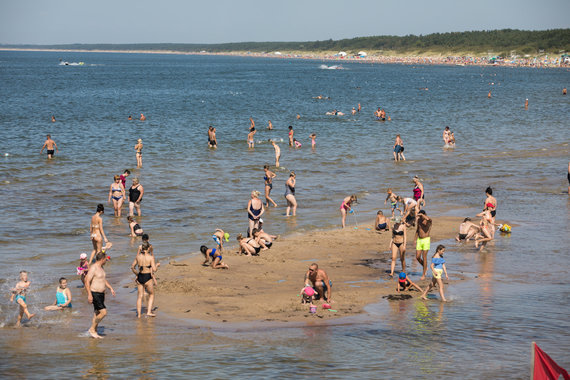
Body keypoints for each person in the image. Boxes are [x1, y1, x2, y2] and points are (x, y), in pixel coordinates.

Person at [85, 251, 116, 338]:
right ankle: (92, 329)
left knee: (97, 312)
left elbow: (103, 279)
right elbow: (87, 281)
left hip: (101, 294)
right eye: (105, 259)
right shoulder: (93, 268)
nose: (106, 261)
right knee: (103, 312)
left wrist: (110, 288)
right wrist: (89, 295)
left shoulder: (101, 267)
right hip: (95, 293)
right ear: (102, 259)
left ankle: (94, 331)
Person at [131, 241, 158, 317]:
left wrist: (137, 274)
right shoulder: (150, 257)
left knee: (139, 296)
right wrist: (157, 265)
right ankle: (149, 312)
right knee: (151, 294)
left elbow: (132, 267)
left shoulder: (138, 256)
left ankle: (139, 314)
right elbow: (154, 269)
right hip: (147, 277)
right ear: (148, 248)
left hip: (140, 277)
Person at [415, 210, 432, 280]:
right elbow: (417, 230)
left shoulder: (429, 220)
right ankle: (425, 266)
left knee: (424, 256)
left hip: (426, 240)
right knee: (418, 257)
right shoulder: (419, 220)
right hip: (419, 240)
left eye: (421, 216)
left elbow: (427, 219)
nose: (420, 217)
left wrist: (422, 215)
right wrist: (414, 239)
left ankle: (423, 274)